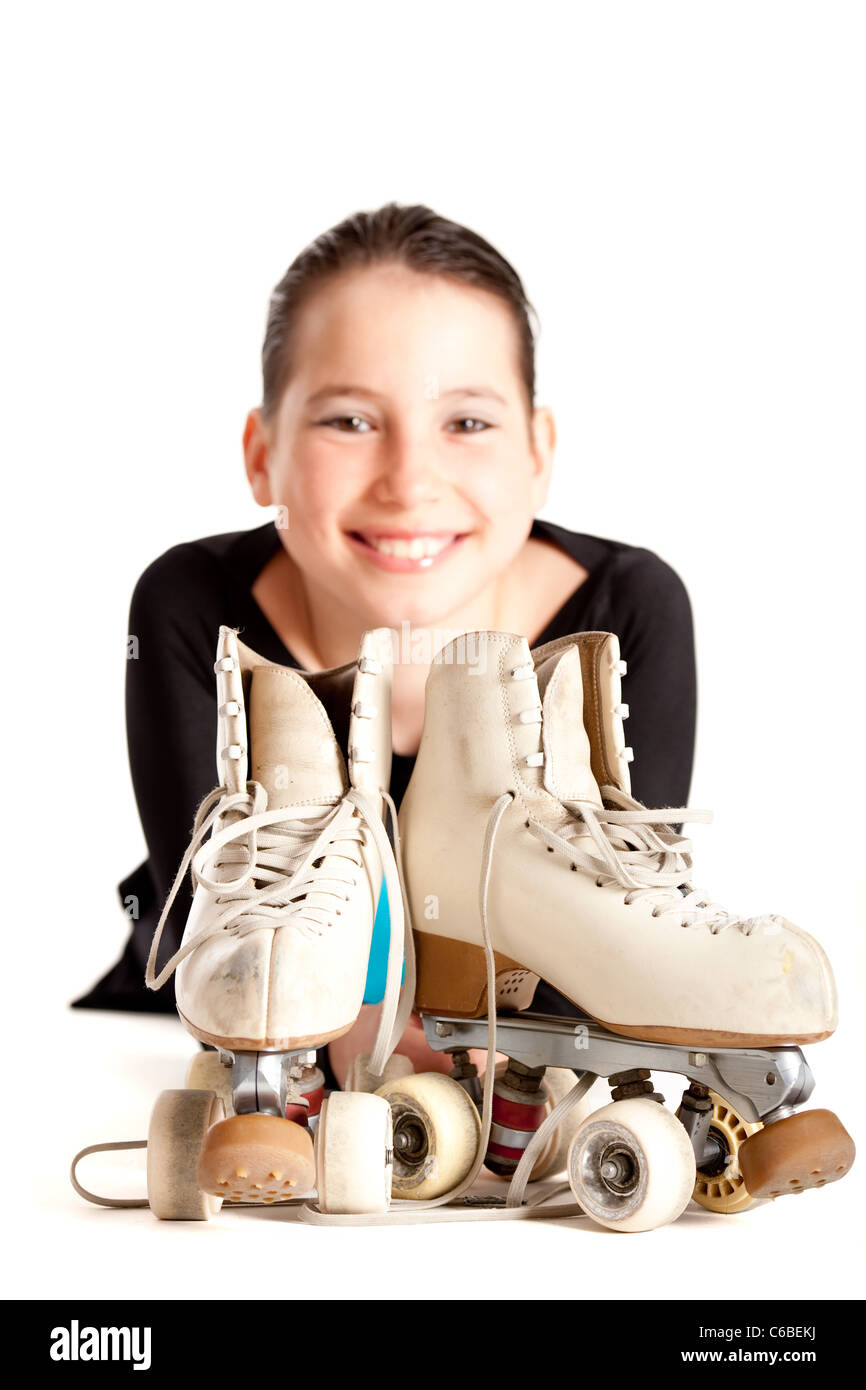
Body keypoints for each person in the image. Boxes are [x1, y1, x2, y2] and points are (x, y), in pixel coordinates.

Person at [73, 201, 697, 1089]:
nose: (410, 482)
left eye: (468, 423)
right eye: (350, 422)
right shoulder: (191, 607)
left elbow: (621, 918)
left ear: (538, 450)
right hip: (215, 1020)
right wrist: (341, 1029)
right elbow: (203, 925)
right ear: (262, 455)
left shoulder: (627, 610)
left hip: (508, 1027)